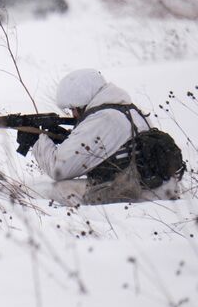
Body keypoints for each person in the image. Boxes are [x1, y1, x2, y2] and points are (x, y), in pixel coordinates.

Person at [19, 69, 184, 205]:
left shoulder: (104, 118)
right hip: (158, 187)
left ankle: (87, 228)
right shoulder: (129, 109)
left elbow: (59, 169)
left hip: (137, 194)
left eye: (74, 108)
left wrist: (38, 141)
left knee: (59, 189)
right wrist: (67, 138)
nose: (73, 114)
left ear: (83, 101)